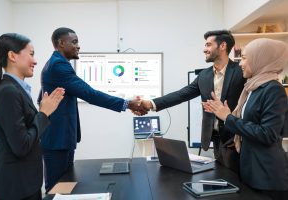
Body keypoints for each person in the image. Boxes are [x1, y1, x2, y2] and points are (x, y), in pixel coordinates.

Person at [38, 27, 147, 192]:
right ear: (61, 43)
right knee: (57, 188)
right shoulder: (59, 65)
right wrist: (127, 103)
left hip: (60, 138)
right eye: (74, 42)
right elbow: (89, 93)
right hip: (57, 140)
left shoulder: (55, 64)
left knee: (64, 186)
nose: (78, 46)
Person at [138, 30, 246, 172]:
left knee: (240, 187)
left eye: (208, 45)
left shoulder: (241, 72)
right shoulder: (204, 75)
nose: (204, 49)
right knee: (222, 181)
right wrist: (150, 103)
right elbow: (182, 94)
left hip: (236, 141)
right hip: (215, 141)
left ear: (223, 46)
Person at [203, 38, 288, 200]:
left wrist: (228, 117)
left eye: (244, 58)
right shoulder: (252, 88)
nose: (240, 63)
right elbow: (245, 126)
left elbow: (267, 134)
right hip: (251, 171)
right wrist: (225, 115)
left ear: (260, 59)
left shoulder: (273, 90)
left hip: (267, 176)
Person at [0, 33, 65, 200]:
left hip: (25, 184)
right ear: (12, 56)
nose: (35, 61)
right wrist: (44, 113)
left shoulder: (16, 89)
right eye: (31, 54)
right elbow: (21, 145)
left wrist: (44, 112)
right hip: (15, 188)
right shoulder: (9, 91)